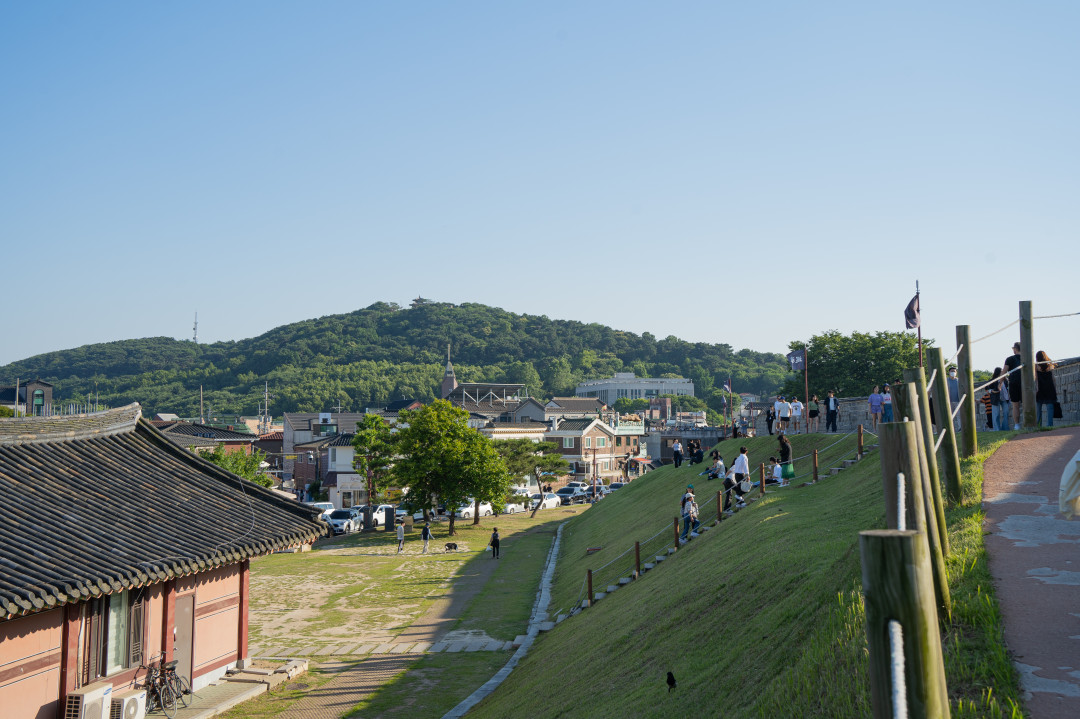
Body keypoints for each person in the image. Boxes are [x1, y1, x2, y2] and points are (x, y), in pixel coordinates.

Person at [1003, 342, 1023, 430]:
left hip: (1014, 383)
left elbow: (1004, 372)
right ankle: (1027, 423)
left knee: (1015, 405)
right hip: (1025, 383)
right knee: (1026, 404)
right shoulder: (1028, 358)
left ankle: (1017, 425)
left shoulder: (1009, 359)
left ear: (1015, 349)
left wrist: (1000, 383)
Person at [1035, 351, 1058, 427]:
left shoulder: (1036, 366)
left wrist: (1036, 388)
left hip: (1040, 388)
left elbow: (1036, 378)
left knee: (1038, 409)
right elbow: (1053, 378)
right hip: (1049, 387)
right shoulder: (1050, 365)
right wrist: (1055, 388)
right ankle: (1050, 425)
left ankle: (1038, 425)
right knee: (1050, 408)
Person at [725, 447, 750, 512]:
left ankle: (739, 503)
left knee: (740, 487)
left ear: (740, 451)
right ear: (746, 452)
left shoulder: (738, 458)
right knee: (744, 487)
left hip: (736, 474)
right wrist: (747, 474)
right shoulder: (744, 457)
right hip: (741, 474)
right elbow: (745, 466)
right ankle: (738, 495)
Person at [946, 367, 961, 431]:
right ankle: (951, 429)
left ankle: (960, 428)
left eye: (954, 371)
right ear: (949, 372)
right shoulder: (946, 380)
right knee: (950, 416)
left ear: (956, 372)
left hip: (958, 401)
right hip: (949, 401)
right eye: (951, 371)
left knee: (959, 416)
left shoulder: (959, 381)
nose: (953, 373)